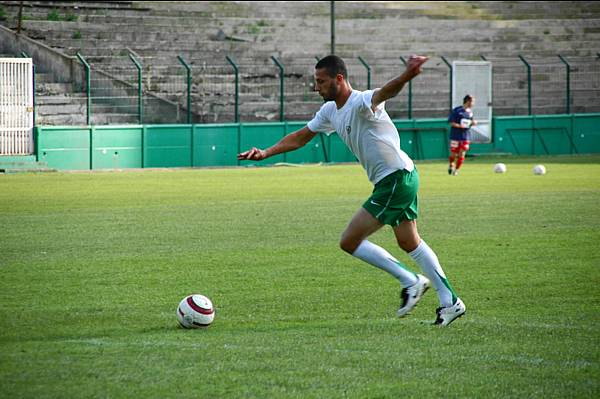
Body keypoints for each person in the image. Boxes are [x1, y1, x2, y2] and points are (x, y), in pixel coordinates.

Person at [238, 55, 465, 326]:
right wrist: (266, 153)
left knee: (349, 241)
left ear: (339, 79)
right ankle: (450, 301)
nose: (316, 87)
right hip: (398, 178)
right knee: (408, 241)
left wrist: (407, 75)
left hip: (396, 179)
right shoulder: (330, 111)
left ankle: (411, 281)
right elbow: (301, 136)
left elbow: (384, 92)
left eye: (321, 82)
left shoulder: (360, 102)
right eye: (315, 81)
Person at [447, 95, 477, 176]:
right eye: (472, 101)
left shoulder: (470, 112)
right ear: (468, 101)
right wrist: (460, 126)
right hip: (455, 136)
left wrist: (473, 122)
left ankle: (456, 170)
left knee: (462, 153)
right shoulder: (457, 110)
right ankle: (451, 165)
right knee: (453, 154)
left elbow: (470, 122)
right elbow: (450, 122)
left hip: (465, 136)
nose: (473, 103)